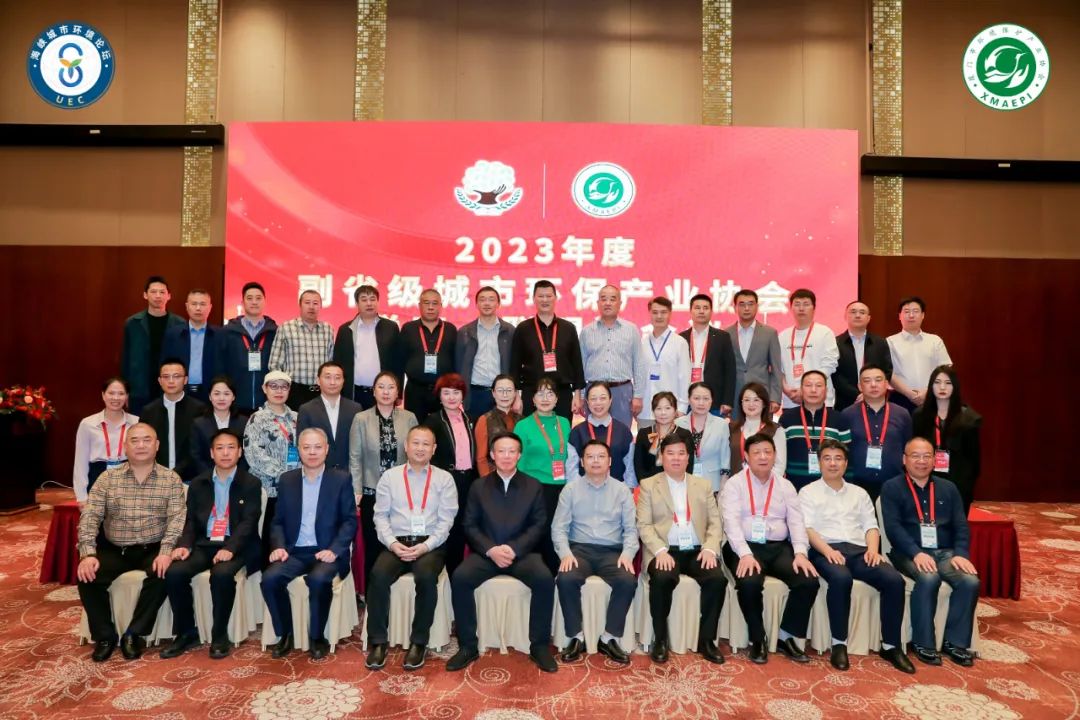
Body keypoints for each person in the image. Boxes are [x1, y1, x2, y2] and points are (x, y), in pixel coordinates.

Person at [798, 440, 914, 673]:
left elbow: (871, 526)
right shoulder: (807, 492)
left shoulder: (859, 493)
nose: (833, 463)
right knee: (841, 578)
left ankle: (891, 646)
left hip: (860, 551)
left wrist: (873, 550)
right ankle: (839, 644)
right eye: (827, 458)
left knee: (894, 580)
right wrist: (828, 551)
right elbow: (807, 529)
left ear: (846, 463)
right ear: (819, 462)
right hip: (825, 550)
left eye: (838, 458)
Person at [446, 431, 558, 673]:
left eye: (512, 451)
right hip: (487, 553)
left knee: (544, 579)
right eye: (501, 451)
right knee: (460, 578)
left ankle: (539, 646)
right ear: (492, 455)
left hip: (522, 554)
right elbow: (469, 525)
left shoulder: (533, 486)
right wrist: (491, 549)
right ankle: (467, 646)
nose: (506, 456)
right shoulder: (479, 486)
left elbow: (539, 524)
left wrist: (514, 548)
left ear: (519, 455)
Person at [76, 423, 186, 662]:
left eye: (147, 440)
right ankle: (105, 636)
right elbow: (90, 517)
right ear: (125, 446)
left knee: (166, 572)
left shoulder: (170, 479)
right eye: (134, 440)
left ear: (157, 445)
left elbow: (177, 520)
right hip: (116, 548)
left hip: (153, 547)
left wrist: (166, 551)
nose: (141, 445)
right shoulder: (108, 478)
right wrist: (88, 553)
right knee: (87, 575)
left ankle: (134, 633)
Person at [159, 429, 262, 659]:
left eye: (231, 447)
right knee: (175, 572)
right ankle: (186, 632)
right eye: (220, 448)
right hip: (205, 544)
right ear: (211, 453)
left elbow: (248, 523)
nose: (225, 453)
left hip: (237, 545)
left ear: (240, 452)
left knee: (222, 574)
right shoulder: (198, 483)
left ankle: (219, 634)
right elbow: (190, 521)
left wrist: (230, 548)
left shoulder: (251, 483)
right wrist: (184, 545)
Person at [365, 425, 458, 671]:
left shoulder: (444, 479)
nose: (420, 448)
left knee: (426, 576)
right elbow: (380, 516)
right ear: (406, 446)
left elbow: (446, 521)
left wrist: (426, 546)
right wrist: (392, 544)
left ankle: (418, 642)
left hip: (430, 544)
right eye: (415, 443)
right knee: (378, 575)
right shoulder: (390, 477)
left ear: (434, 449)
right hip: (397, 542)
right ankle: (378, 642)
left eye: (426, 444)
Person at [721, 432, 819, 664]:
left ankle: (786, 636)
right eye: (757, 452)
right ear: (746, 456)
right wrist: (745, 554)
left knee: (808, 580)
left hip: (777, 547)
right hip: (742, 546)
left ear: (775, 455)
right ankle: (758, 639)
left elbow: (796, 522)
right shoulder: (735, 484)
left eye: (768, 452)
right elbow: (731, 523)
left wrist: (800, 553)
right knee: (749, 582)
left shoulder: (785, 485)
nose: (763, 457)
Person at [881, 437, 979, 667]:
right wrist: (916, 552)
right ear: (904, 459)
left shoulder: (949, 488)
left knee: (970, 581)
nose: (921, 461)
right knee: (929, 578)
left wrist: (961, 553)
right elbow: (893, 528)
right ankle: (923, 642)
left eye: (927, 456)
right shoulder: (892, 487)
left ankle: (954, 642)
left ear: (935, 460)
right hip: (908, 553)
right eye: (915, 456)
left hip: (945, 553)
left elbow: (961, 526)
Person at [261, 428, 357, 660]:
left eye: (317, 447)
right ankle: (286, 634)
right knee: (270, 579)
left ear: (326, 449)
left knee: (318, 579)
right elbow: (278, 521)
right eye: (306, 447)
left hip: (327, 551)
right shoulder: (288, 480)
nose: (312, 452)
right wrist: (279, 546)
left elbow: (349, 521)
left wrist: (334, 550)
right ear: (299, 450)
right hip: (294, 552)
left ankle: (317, 636)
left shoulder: (341, 479)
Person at [637, 434, 727, 665]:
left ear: (688, 457)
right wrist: (659, 551)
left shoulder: (703, 485)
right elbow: (644, 525)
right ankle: (660, 639)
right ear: (662, 456)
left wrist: (710, 549)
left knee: (717, 579)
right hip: (664, 550)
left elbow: (715, 523)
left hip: (697, 550)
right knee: (662, 577)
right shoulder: (649, 485)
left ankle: (707, 640)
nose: (676, 458)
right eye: (670, 453)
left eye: (681, 453)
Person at [552, 440, 638, 665]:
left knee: (627, 580)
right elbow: (558, 528)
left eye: (601, 456)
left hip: (612, 551)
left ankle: (609, 637)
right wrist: (565, 553)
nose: (595, 461)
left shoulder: (622, 491)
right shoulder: (570, 490)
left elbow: (631, 529)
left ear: (610, 461)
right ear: (582, 462)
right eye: (590, 457)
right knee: (566, 578)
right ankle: (576, 637)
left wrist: (628, 553)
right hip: (579, 550)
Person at [349, 371, 418, 594]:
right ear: (374, 391)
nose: (386, 392)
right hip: (372, 491)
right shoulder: (361, 419)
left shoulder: (409, 418)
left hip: (402, 492)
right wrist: (356, 490)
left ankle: (396, 596)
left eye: (391, 387)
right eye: (381, 387)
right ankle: (372, 597)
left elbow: (416, 454)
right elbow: (355, 457)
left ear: (398, 392)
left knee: (399, 542)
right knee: (373, 544)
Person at [515, 378, 573, 573]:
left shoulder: (564, 422)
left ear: (557, 399)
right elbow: (519, 461)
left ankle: (558, 575)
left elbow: (569, 456)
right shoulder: (523, 425)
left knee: (560, 533)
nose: (545, 398)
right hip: (534, 488)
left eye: (550, 394)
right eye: (540, 394)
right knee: (541, 533)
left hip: (562, 487)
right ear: (533, 399)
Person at [422, 373, 476, 575]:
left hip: (468, 480)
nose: (451, 397)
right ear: (439, 395)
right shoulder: (433, 421)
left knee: (463, 527)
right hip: (444, 481)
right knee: (446, 527)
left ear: (463, 395)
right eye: (446, 393)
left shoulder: (470, 418)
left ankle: (457, 575)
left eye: (456, 392)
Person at [243, 371, 300, 561]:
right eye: (273, 386)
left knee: (289, 537)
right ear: (264, 389)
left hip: (294, 489)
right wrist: (284, 475)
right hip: (267, 489)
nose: (279, 391)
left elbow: (305, 448)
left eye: (284, 386)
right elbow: (253, 454)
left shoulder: (297, 418)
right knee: (268, 538)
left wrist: (295, 477)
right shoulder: (257, 418)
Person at [508, 280, 585, 419]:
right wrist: (516, 396)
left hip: (562, 393)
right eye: (540, 296)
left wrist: (577, 394)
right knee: (531, 431)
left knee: (561, 431)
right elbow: (514, 366)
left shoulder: (568, 328)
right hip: (532, 392)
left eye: (548, 296)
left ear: (555, 298)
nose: (545, 300)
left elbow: (577, 364)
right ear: (534, 299)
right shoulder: (523, 328)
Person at [912, 365, 982, 513]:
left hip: (958, 484)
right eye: (937, 382)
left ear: (955, 386)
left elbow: (974, 461)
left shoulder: (968, 419)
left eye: (948, 383)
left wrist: (967, 486)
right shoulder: (920, 416)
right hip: (927, 481)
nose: (942, 387)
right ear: (930, 386)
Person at [578, 285, 648, 427]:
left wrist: (638, 396)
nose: (608, 303)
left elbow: (639, 364)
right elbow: (580, 367)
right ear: (598, 303)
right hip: (594, 392)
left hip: (622, 391)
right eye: (604, 299)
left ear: (620, 303)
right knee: (594, 435)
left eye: (612, 299)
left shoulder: (631, 330)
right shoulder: (587, 331)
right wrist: (581, 396)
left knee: (621, 433)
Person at [840, 365, 912, 502]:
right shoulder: (847, 414)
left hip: (894, 484)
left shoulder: (902, 414)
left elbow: (907, 449)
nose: (873, 385)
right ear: (860, 386)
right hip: (856, 485)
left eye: (878, 380)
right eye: (867, 381)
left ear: (887, 384)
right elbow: (842, 451)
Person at [332, 284, 401, 409]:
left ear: (378, 302)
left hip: (382, 393)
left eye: (372, 299)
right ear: (357, 303)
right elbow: (338, 362)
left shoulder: (391, 328)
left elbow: (398, 362)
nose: (369, 303)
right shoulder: (346, 330)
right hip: (353, 393)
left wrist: (398, 393)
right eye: (364, 300)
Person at [121, 275, 184, 413]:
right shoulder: (133, 323)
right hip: (140, 388)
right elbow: (126, 359)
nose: (158, 296)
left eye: (162, 292)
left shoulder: (180, 324)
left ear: (169, 296)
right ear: (145, 295)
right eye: (153, 292)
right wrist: (124, 390)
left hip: (170, 386)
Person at [779, 371, 851, 491]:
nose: (813, 390)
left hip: (830, 488)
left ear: (826, 391)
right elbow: (780, 456)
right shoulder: (787, 418)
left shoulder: (839, 419)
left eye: (818, 385)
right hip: (793, 487)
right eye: (808, 385)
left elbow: (847, 456)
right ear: (801, 389)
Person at [73, 377, 139, 505]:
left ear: (127, 396)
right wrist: (81, 497)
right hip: (97, 477)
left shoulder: (136, 422)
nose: (116, 398)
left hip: (129, 479)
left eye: (121, 394)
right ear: (103, 395)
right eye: (111, 393)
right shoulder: (88, 424)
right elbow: (80, 463)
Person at [139, 359, 208, 482]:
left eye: (176, 376)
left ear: (185, 380)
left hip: (191, 478)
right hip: (155, 478)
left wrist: (176, 473)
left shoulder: (199, 409)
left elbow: (199, 449)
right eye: (166, 377)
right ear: (160, 381)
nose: (171, 381)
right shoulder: (149, 411)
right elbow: (144, 447)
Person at [267, 290, 335, 410]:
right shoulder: (286, 328)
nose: (311, 307)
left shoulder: (328, 329)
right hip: (294, 391)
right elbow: (274, 364)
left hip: (320, 392)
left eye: (315, 303)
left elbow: (331, 362)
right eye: (307, 302)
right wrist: (282, 389)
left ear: (320, 306)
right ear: (300, 305)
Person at [218, 281, 278, 415]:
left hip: (267, 404)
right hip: (236, 403)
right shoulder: (227, 332)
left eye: (258, 298)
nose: (254, 302)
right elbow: (221, 367)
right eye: (249, 298)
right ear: (242, 302)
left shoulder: (275, 332)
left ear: (265, 301)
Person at [455, 285, 515, 417]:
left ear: (498, 304)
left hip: (502, 393)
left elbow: (514, 364)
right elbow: (458, 366)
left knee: (502, 429)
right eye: (482, 300)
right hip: (475, 393)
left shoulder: (509, 331)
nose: (487, 303)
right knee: (475, 429)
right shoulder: (464, 332)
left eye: (491, 299)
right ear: (476, 304)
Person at [399, 289, 458, 423]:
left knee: (441, 428)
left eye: (435, 303)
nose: (431, 307)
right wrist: (398, 393)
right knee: (415, 428)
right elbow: (399, 361)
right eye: (426, 303)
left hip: (443, 391)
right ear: (419, 305)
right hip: (415, 390)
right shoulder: (408, 328)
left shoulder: (450, 329)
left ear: (441, 306)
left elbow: (456, 361)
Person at [888, 296, 952, 414]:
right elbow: (888, 372)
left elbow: (945, 369)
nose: (911, 315)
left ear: (923, 315)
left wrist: (927, 392)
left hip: (932, 396)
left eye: (915, 311)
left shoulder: (935, 340)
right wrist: (909, 393)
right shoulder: (889, 342)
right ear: (899, 316)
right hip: (900, 398)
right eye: (906, 311)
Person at [725, 289, 783, 418]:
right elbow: (723, 371)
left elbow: (776, 369)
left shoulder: (769, 333)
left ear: (757, 306)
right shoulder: (726, 334)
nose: (746, 308)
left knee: (762, 430)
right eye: (742, 304)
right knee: (735, 430)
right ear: (735, 307)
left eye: (750, 304)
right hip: (734, 397)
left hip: (761, 396)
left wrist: (775, 398)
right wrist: (724, 400)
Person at [778, 288, 839, 409]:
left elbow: (829, 365)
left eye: (806, 304)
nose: (801, 308)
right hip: (791, 401)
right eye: (797, 304)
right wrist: (786, 390)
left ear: (814, 308)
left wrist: (807, 389)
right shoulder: (782, 336)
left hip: (820, 401)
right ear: (791, 308)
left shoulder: (825, 333)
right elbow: (778, 369)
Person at [297, 362, 363, 473]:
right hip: (319, 473)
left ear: (343, 381)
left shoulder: (355, 409)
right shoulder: (306, 410)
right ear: (318, 380)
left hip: (348, 473)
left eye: (337, 378)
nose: (333, 382)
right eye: (327, 377)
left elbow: (359, 445)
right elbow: (302, 444)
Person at [567, 382, 636, 486]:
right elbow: (572, 469)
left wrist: (628, 490)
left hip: (617, 490)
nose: (598, 403)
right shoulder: (577, 432)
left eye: (603, 398)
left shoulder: (623, 431)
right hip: (585, 489)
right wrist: (578, 491)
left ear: (610, 400)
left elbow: (630, 467)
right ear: (587, 402)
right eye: (593, 399)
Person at [638, 296, 691, 428]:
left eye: (663, 312)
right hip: (646, 411)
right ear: (649, 314)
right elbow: (637, 376)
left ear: (670, 314)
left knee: (671, 442)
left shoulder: (680, 343)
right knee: (646, 442)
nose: (659, 316)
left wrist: (682, 408)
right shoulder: (642, 343)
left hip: (671, 412)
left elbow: (685, 377)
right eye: (655, 312)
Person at [161, 289, 220, 404]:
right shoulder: (173, 334)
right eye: (194, 304)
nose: (198, 308)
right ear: (187, 306)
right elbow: (164, 365)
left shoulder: (220, 335)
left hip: (210, 393)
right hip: (180, 392)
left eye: (202, 304)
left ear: (210, 307)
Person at [680, 293, 735, 415]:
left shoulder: (722, 337)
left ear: (711, 312)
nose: (701, 311)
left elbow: (730, 371)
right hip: (685, 400)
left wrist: (727, 401)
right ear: (690, 311)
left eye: (705, 308)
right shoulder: (681, 338)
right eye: (697, 308)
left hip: (714, 400)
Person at [832, 301, 893, 411]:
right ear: (845, 316)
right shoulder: (835, 343)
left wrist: (869, 393)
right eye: (853, 312)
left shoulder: (880, 343)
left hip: (875, 400)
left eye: (862, 312)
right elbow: (835, 374)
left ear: (868, 318)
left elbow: (887, 371)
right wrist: (857, 394)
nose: (857, 315)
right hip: (845, 401)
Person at [676, 382, 731, 494]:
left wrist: (722, 488)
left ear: (712, 400)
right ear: (689, 399)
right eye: (696, 398)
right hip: (683, 483)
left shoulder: (721, 424)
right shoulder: (678, 424)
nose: (701, 403)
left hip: (712, 484)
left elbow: (725, 459)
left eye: (706, 398)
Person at [189, 376, 249, 478]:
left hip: (238, 478)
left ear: (233, 397)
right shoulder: (198, 424)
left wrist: (236, 476)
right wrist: (213, 477)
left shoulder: (244, 422)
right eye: (217, 394)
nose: (221, 398)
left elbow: (247, 454)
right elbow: (195, 456)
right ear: (210, 397)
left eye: (226, 394)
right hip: (207, 478)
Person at [633, 392, 695, 483]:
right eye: (658, 408)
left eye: (668, 408)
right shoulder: (644, 433)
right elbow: (639, 466)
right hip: (650, 487)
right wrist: (647, 486)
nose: (663, 413)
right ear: (653, 411)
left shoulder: (684, 434)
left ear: (675, 410)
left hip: (677, 485)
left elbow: (688, 465)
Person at [728, 382, 786, 478]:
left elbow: (779, 466)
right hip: (736, 484)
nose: (751, 404)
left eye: (756, 400)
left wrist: (763, 483)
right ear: (741, 403)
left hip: (765, 484)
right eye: (747, 400)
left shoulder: (775, 430)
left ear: (764, 404)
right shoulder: (731, 428)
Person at [473, 375, 521, 477]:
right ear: (493, 393)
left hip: (519, 477)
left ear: (515, 393)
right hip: (493, 477)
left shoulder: (522, 420)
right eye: (500, 390)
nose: (505, 395)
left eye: (509, 390)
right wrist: (487, 480)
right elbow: (481, 458)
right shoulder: (484, 419)